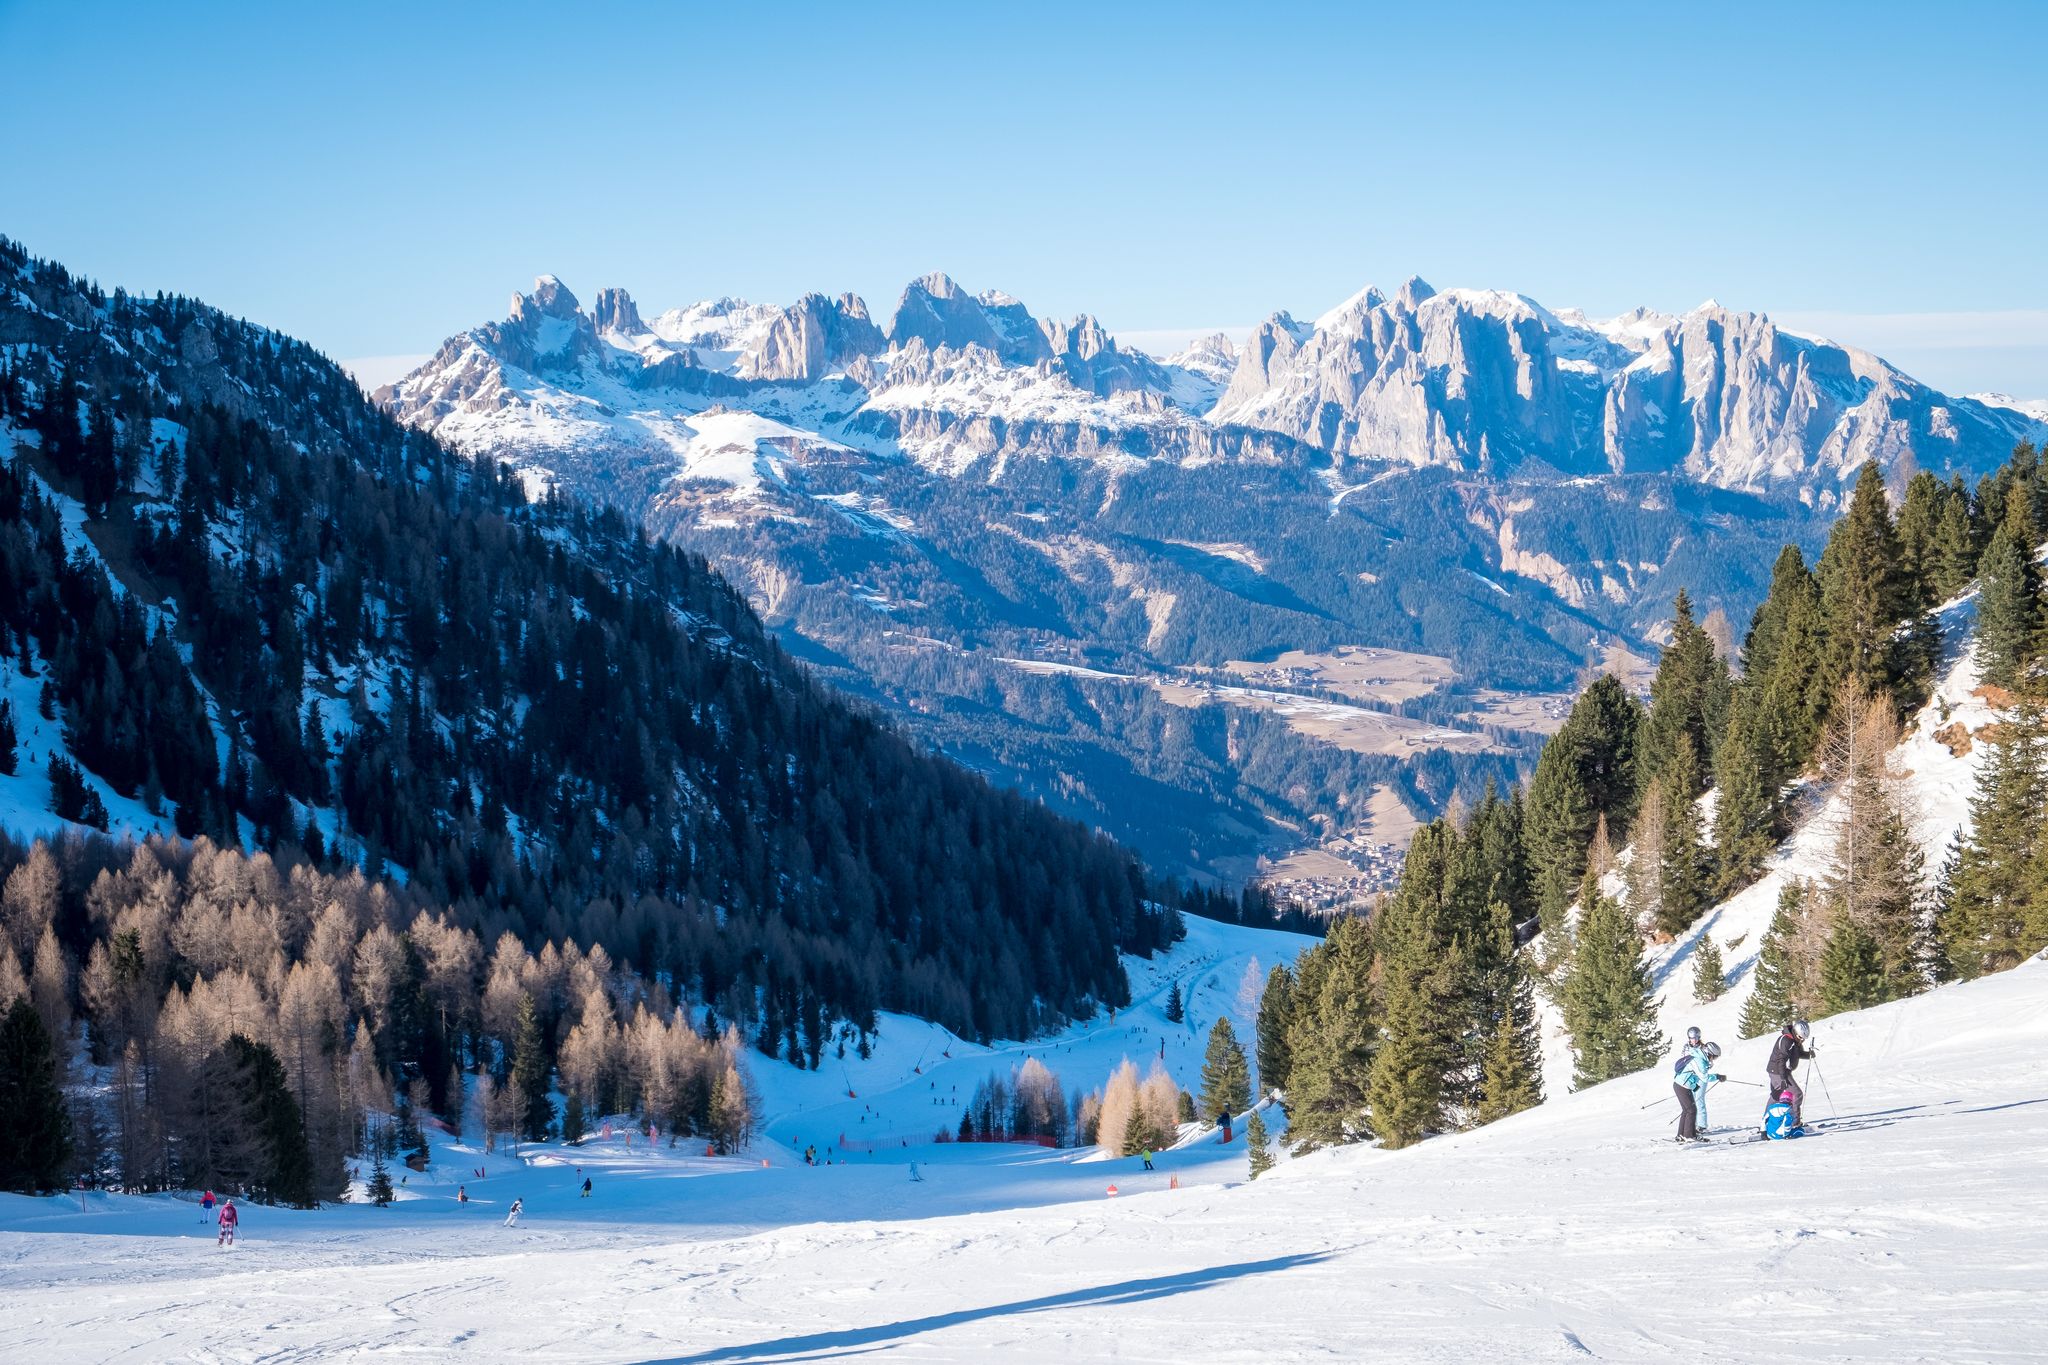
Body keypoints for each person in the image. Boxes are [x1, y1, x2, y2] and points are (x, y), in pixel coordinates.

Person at [1766, 1020, 1814, 1129]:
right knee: (1797, 1094)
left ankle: (1767, 1121)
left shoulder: (1794, 1040)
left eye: (1803, 1038)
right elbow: (1781, 1059)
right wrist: (1783, 1078)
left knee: (1776, 1096)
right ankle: (1794, 1123)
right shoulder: (1786, 1040)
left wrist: (1809, 1055)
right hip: (1778, 1071)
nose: (1802, 1040)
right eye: (1800, 1037)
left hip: (1779, 1071)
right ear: (1795, 1032)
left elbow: (1798, 1053)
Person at [1672, 1040, 1723, 1142]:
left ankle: (1681, 1135)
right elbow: (1704, 1078)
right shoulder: (1700, 1061)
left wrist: (1695, 1086)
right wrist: (1717, 1076)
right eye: (1715, 1057)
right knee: (1691, 1110)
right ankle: (1689, 1136)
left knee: (1687, 1110)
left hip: (1682, 1085)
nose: (1714, 1059)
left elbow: (1693, 1075)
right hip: (1682, 1086)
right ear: (1709, 1053)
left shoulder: (1699, 1057)